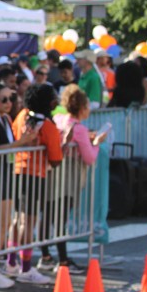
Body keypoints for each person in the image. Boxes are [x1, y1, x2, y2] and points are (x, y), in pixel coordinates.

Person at [0, 84, 38, 289]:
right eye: (3, 99)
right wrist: (21, 142)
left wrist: (25, 141)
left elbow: (9, 147)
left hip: (5, 172)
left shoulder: (5, 119)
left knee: (2, 223)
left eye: (10, 98)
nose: (8, 103)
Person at [43, 85, 107, 271]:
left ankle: (45, 255)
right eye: (87, 106)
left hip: (52, 172)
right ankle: (63, 260)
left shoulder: (59, 119)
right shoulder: (78, 128)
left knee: (48, 214)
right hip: (69, 176)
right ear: (82, 108)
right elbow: (89, 157)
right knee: (60, 217)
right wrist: (96, 143)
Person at [8, 83, 63, 283]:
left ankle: (11, 262)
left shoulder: (21, 116)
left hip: (17, 171)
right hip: (35, 175)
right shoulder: (47, 126)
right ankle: (25, 268)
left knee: (17, 220)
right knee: (28, 222)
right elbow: (55, 159)